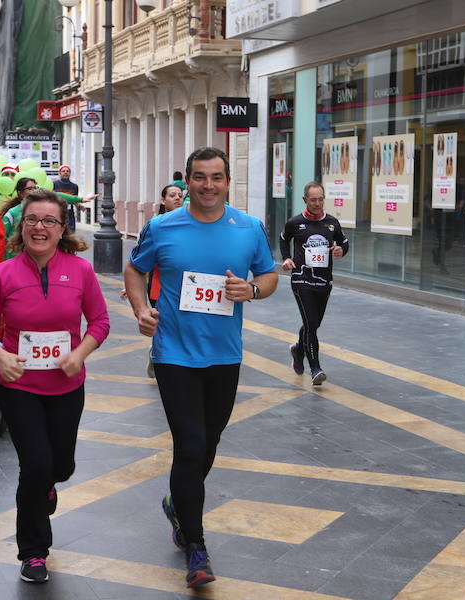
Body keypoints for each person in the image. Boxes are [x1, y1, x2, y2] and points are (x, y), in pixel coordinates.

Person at [124, 147, 278, 588]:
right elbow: (134, 271)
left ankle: (177, 502)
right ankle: (195, 544)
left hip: (225, 356)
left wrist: (249, 289)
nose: (208, 185)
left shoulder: (248, 228)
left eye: (216, 177)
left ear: (227, 183)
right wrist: (142, 309)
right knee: (190, 447)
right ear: (187, 181)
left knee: (207, 446)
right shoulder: (162, 226)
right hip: (174, 355)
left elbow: (268, 277)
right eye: (199, 177)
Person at [0, 189, 109, 584]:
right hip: (19, 386)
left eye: (49, 221)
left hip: (67, 384)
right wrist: (0, 356)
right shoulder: (1, 274)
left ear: (63, 229)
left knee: (61, 465)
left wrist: (80, 352)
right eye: (32, 220)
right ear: (21, 226)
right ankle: (33, 551)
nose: (39, 228)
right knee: (36, 465)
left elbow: (99, 322)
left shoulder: (80, 271)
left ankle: (47, 487)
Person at [279, 181, 349, 385]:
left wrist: (340, 251)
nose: (317, 203)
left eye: (320, 199)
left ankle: (298, 350)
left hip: (324, 280)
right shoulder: (295, 222)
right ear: (305, 200)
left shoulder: (332, 223)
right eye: (313, 200)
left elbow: (343, 242)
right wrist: (286, 258)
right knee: (310, 323)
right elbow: (284, 239)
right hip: (301, 278)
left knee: (314, 324)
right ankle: (315, 368)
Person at [143, 184, 184, 377]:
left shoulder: (189, 224)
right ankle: (157, 354)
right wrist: (135, 284)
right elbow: (141, 261)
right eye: (172, 195)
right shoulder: (155, 225)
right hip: (159, 286)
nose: (177, 198)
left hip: (185, 286)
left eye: (180, 195)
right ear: (163, 200)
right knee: (162, 326)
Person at [1, 178, 38, 260]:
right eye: (30, 189)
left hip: (34, 259)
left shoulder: (41, 211)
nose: (34, 191)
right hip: (14, 259)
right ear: (20, 193)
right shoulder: (12, 213)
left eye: (35, 188)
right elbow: (2, 238)